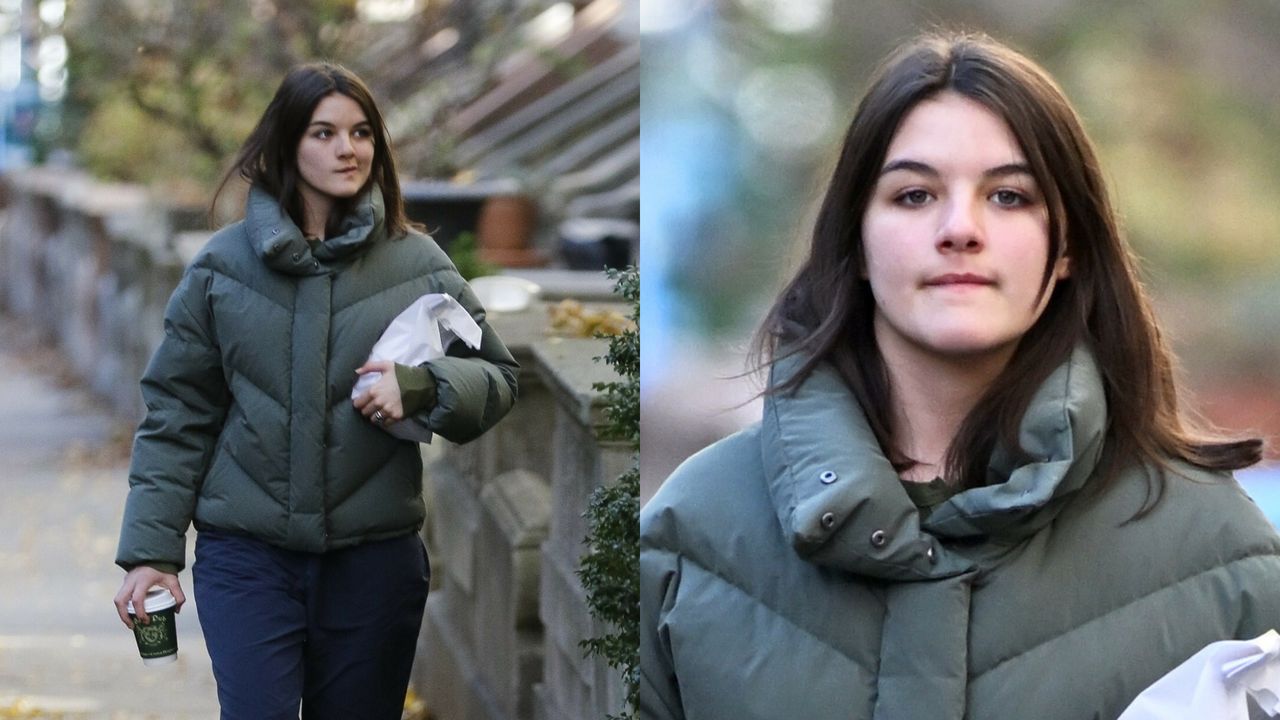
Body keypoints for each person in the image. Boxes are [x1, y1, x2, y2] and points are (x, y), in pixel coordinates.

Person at [640, 31, 1280, 719]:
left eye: (1008, 196)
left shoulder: (1217, 550)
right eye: (914, 195)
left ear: (1066, 246)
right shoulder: (695, 534)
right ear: (855, 240)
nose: (960, 228)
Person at [112, 62, 518, 718]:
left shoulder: (416, 264)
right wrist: (150, 552)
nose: (347, 148)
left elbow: (500, 379)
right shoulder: (221, 269)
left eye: (361, 133)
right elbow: (177, 413)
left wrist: (421, 385)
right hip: (246, 560)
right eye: (324, 133)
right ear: (286, 145)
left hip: (374, 566)